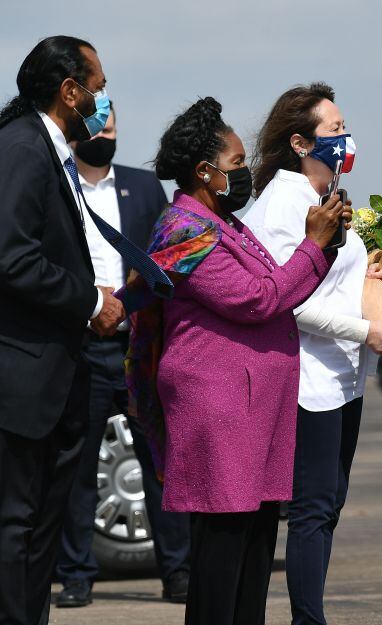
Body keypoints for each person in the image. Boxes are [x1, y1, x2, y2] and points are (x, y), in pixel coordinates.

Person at [128, 96, 346, 625]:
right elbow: (257, 299)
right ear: (205, 172)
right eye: (236, 163)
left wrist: (325, 245)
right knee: (222, 550)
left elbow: (277, 283)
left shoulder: (223, 224)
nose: (245, 171)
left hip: (252, 408)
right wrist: (313, 245)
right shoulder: (187, 231)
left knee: (254, 545)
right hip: (220, 408)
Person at [245, 82, 382, 625]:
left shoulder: (327, 198)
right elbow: (286, 302)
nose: (346, 139)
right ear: (299, 143)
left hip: (342, 375)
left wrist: (371, 277)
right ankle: (307, 619)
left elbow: (331, 279)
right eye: (335, 130)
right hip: (306, 378)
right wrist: (364, 330)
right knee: (312, 508)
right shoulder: (282, 205)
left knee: (330, 501)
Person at [0, 36, 127, 625]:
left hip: (57, 375)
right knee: (16, 526)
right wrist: (89, 300)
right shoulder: (24, 148)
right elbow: (12, 258)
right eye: (98, 89)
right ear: (69, 91)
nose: (103, 101)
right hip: (23, 380)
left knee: (38, 532)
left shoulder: (50, 150)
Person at [53, 105, 193, 609]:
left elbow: (166, 257)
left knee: (158, 459)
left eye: (113, 127)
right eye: (100, 126)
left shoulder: (142, 185)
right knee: (77, 467)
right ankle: (75, 574)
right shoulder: (58, 185)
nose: (107, 134)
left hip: (138, 345)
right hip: (82, 345)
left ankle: (177, 570)